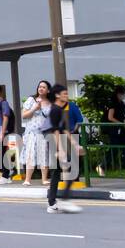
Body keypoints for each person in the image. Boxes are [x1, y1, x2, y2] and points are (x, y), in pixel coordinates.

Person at [44, 84, 82, 214]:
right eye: (64, 94)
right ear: (57, 95)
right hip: (54, 142)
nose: (67, 96)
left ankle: (52, 203)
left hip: (57, 142)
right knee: (71, 168)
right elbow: (54, 131)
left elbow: (64, 129)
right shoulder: (54, 110)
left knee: (56, 172)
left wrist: (75, 144)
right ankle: (63, 200)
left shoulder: (59, 109)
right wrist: (59, 150)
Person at [20, 81, 51, 186]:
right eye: (39, 86)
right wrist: (34, 108)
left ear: (48, 90)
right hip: (31, 132)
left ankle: (44, 179)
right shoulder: (31, 100)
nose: (41, 88)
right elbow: (23, 115)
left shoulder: (50, 103)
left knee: (44, 154)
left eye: (43, 87)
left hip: (43, 132)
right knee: (30, 154)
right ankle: (27, 179)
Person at [104, 85, 125, 175]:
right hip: (114, 129)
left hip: (121, 129)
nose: (124, 96)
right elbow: (110, 117)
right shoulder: (112, 104)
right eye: (123, 94)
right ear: (118, 94)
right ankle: (102, 166)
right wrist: (120, 123)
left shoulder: (121, 104)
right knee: (114, 149)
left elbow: (121, 117)